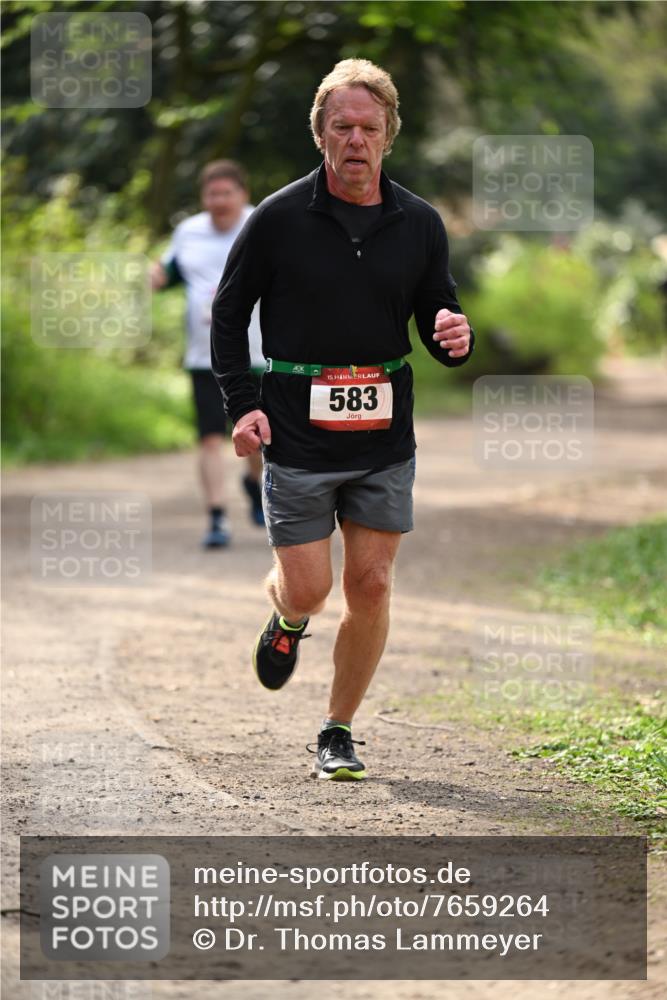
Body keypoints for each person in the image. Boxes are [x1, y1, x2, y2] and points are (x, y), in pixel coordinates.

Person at [211, 60, 474, 779]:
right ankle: (289, 619)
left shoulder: (418, 222)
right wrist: (243, 406)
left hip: (384, 434)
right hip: (295, 430)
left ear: (388, 135)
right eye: (341, 127)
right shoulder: (277, 219)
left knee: (373, 585)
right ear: (320, 134)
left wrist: (456, 335)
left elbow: (435, 311)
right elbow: (230, 315)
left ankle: (336, 729)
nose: (355, 139)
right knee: (310, 589)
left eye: (368, 127)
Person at [151, 159, 265, 548]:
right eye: (211, 194)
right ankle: (217, 517)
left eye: (226, 193)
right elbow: (166, 271)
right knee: (210, 439)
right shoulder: (189, 231)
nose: (218, 201)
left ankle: (253, 482)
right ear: (203, 197)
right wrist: (154, 277)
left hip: (257, 353)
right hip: (205, 356)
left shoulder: (261, 224)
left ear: (242, 195)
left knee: (261, 435)